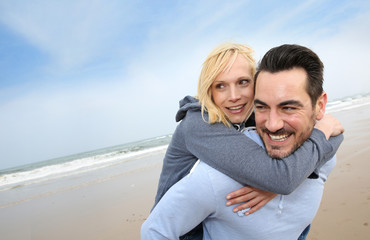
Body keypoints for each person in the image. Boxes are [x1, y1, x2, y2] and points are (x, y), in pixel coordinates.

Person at [146, 43, 343, 239]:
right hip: (185, 229)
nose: (234, 96)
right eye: (220, 86)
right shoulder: (199, 124)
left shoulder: (249, 113)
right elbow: (281, 178)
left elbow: (330, 135)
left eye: (243, 82)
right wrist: (272, 184)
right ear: (209, 92)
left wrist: (325, 127)